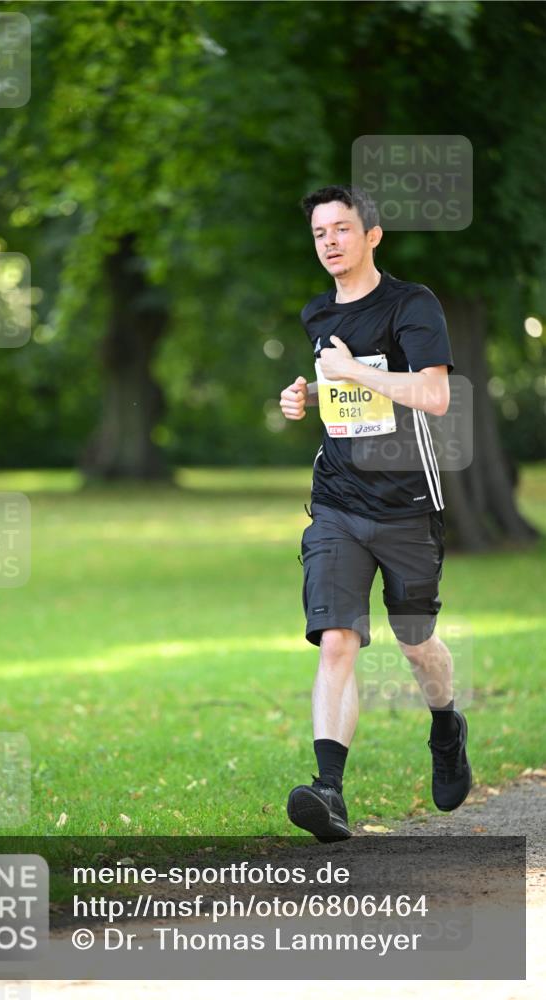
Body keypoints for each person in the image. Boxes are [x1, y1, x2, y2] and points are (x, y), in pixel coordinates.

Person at [280, 184, 471, 843]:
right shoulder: (315, 315)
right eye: (318, 233)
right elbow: (340, 398)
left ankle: (445, 725)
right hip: (336, 502)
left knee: (416, 645)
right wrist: (302, 393)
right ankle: (327, 791)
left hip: (405, 507)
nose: (329, 241)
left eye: (340, 229)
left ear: (372, 234)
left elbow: (433, 395)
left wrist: (354, 373)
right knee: (336, 638)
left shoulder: (410, 305)